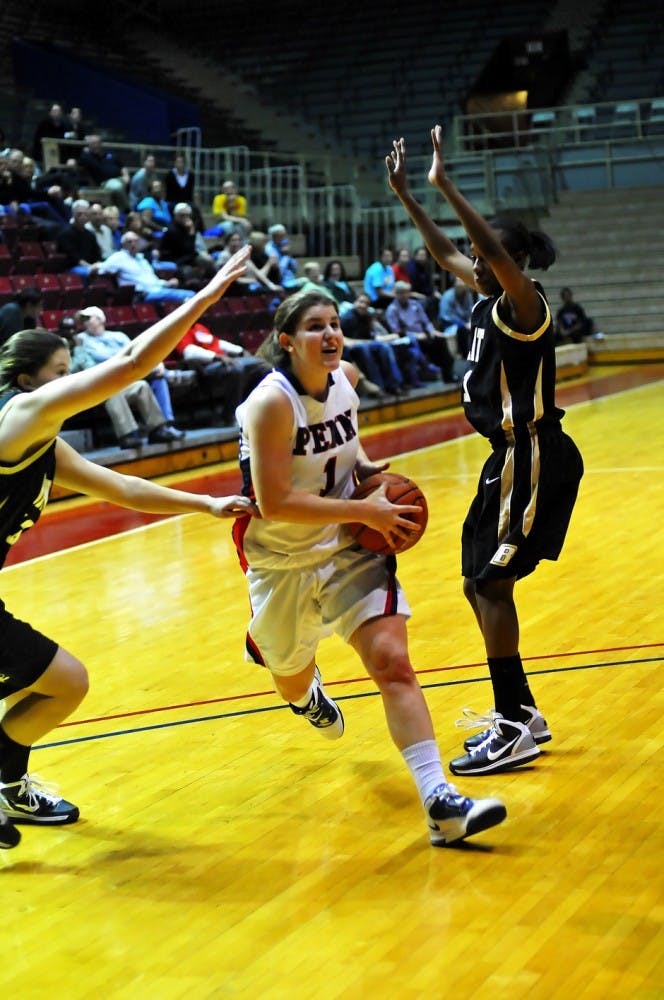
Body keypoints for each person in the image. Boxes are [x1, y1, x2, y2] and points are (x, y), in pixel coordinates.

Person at [231, 289, 506, 846]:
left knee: (392, 662)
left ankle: (440, 801)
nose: (330, 334)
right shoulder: (270, 403)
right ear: (287, 342)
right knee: (288, 676)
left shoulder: (347, 380)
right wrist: (366, 510)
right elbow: (275, 501)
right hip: (280, 556)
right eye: (315, 326)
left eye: (335, 323)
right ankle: (305, 693)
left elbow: (346, 443)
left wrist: (362, 466)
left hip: (345, 547)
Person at [0, 246, 256, 845]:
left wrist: (205, 503)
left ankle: (10, 783)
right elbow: (132, 362)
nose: (71, 381)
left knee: (64, 683)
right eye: (61, 371)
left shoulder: (46, 445)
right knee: (62, 680)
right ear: (28, 381)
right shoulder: (22, 415)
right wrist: (203, 299)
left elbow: (124, 488)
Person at [386, 127, 584, 776]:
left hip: (533, 454)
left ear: (509, 260)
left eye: (483, 255)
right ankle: (521, 712)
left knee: (492, 585)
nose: (470, 262)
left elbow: (485, 250)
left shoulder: (525, 304)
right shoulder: (486, 295)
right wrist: (409, 197)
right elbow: (446, 250)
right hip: (508, 460)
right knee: (479, 584)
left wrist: (445, 184)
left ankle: (512, 724)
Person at [76, 306, 185, 445]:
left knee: (143, 386)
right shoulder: (82, 339)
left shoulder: (118, 336)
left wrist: (157, 363)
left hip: (128, 376)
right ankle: (128, 436)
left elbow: (138, 352)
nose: (85, 322)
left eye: (88, 318)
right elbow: (96, 360)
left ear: (100, 319)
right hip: (104, 382)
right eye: (83, 320)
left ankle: (158, 430)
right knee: (112, 392)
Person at [175, 319, 269, 424]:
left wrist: (240, 350)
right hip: (205, 367)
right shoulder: (180, 329)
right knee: (235, 370)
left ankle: (254, 408)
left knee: (261, 365)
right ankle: (229, 415)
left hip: (222, 361)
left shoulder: (199, 327)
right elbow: (188, 352)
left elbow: (217, 342)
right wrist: (217, 357)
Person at [385, 281, 458, 384]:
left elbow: (426, 321)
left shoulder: (415, 304)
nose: (404, 295)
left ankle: (448, 376)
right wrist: (416, 335)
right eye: (401, 293)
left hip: (424, 335)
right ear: (396, 294)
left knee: (440, 341)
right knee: (419, 344)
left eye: (406, 292)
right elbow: (396, 331)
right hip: (409, 339)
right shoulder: (392, 310)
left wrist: (432, 331)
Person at [97, 231, 196, 304]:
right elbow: (102, 269)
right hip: (142, 295)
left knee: (192, 295)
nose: (133, 244)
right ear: (123, 244)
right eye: (129, 242)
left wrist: (167, 283)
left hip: (157, 289)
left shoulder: (141, 259)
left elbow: (151, 279)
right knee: (190, 296)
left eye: (136, 241)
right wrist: (95, 267)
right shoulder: (118, 257)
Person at [341, 293, 407, 396]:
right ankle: (378, 386)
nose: (363, 305)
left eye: (366, 303)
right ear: (355, 302)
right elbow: (343, 340)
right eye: (361, 302)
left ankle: (394, 385)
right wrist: (365, 342)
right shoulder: (346, 318)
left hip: (367, 343)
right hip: (352, 347)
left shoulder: (367, 317)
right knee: (364, 348)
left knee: (384, 347)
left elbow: (372, 337)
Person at [79, 135, 130, 211]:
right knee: (117, 186)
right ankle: (127, 210)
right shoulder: (88, 157)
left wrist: (126, 175)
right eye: (93, 144)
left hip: (120, 179)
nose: (96, 146)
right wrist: (85, 149)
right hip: (106, 182)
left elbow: (122, 166)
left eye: (97, 143)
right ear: (89, 146)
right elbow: (79, 161)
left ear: (101, 143)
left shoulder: (110, 153)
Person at [438, 276, 475, 358]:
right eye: (459, 281)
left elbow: (471, 310)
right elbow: (446, 316)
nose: (461, 284)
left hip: (465, 323)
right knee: (462, 330)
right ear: (454, 283)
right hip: (450, 324)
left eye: (463, 281)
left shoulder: (467, 295)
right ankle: (464, 356)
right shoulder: (447, 296)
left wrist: (470, 321)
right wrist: (463, 324)